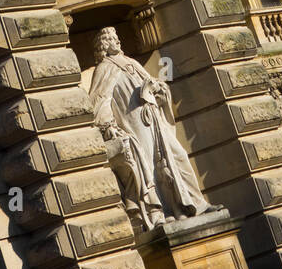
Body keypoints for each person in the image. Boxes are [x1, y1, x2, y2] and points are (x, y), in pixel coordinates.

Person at [89, 26, 214, 231]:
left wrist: (159, 89)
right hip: (134, 124)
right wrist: (110, 127)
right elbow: (99, 102)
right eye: (112, 39)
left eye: (117, 37)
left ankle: (196, 204)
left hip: (154, 119)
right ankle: (161, 214)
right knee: (149, 167)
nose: (117, 41)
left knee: (178, 156)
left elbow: (154, 83)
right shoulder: (104, 69)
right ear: (104, 45)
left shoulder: (131, 62)